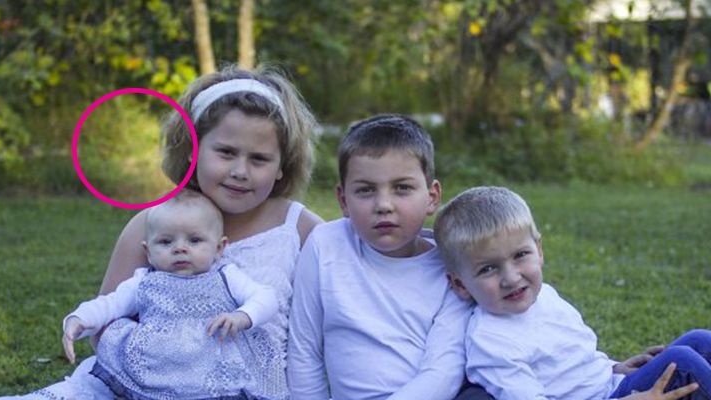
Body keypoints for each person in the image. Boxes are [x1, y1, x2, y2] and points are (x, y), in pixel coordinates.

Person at [97, 66, 324, 392]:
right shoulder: (152, 224)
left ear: (281, 167)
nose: (240, 171)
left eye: (259, 159)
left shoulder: (300, 228)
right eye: (226, 152)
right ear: (194, 151)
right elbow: (103, 327)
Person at [0, 191, 283, 399]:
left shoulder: (225, 275)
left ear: (219, 248)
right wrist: (79, 320)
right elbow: (110, 305)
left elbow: (266, 297)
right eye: (166, 242)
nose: (180, 248)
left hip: (210, 371)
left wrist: (243, 316)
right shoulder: (145, 281)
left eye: (194, 240)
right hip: (154, 368)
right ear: (148, 251)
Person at [433, 186, 709, 400]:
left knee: (698, 340)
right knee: (683, 362)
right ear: (460, 284)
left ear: (539, 251)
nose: (511, 277)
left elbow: (573, 360)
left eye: (520, 255)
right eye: (488, 269)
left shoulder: (545, 296)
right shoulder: (490, 341)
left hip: (612, 384)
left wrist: (613, 368)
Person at [288, 114, 485, 400]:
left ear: (432, 197)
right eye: (366, 190)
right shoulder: (326, 245)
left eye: (402, 188)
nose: (383, 205)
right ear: (343, 200)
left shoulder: (452, 264)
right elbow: (304, 352)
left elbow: (443, 371)